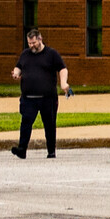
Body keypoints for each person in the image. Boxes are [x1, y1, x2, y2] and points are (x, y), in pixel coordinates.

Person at [10, 28, 70, 159]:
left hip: (47, 98)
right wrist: (16, 73)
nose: (32, 46)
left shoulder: (51, 54)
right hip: (28, 98)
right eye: (29, 43)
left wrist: (63, 83)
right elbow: (19, 66)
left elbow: (62, 68)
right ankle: (22, 149)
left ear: (40, 39)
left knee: (49, 124)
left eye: (34, 43)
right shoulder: (25, 54)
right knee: (25, 122)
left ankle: (51, 151)